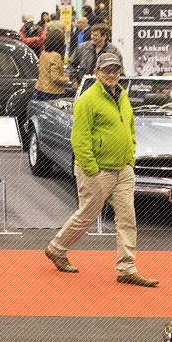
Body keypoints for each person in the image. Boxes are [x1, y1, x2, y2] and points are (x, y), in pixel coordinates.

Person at [44, 52, 157, 286]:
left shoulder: (123, 96)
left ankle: (126, 268)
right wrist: (91, 169)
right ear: (96, 72)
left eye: (115, 70)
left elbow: (130, 129)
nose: (111, 74)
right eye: (106, 70)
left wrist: (130, 160)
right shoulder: (87, 99)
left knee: (127, 218)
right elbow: (80, 138)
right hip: (97, 171)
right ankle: (56, 248)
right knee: (87, 215)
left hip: (123, 170)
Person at [33, 28, 71, 100]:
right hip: (52, 92)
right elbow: (55, 78)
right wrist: (66, 79)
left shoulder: (43, 53)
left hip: (39, 88)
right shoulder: (56, 56)